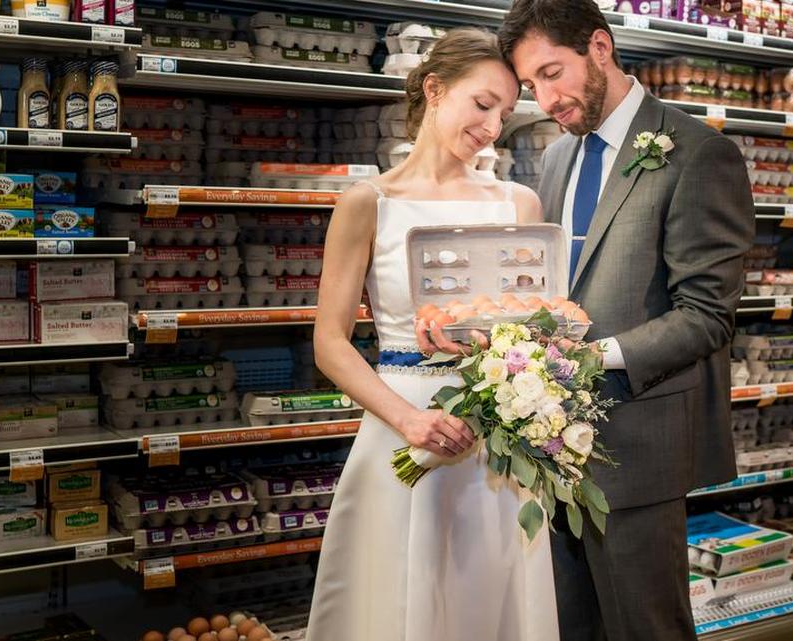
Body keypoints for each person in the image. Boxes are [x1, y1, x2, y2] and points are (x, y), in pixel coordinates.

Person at [496, 2, 755, 640]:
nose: (547, 97)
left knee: (646, 627)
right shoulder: (557, 160)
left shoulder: (698, 153)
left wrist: (595, 358)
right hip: (552, 441)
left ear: (600, 48)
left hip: (640, 438)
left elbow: (707, 316)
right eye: (532, 86)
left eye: (554, 73)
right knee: (571, 624)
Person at [307, 27, 562, 640]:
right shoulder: (367, 203)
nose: (493, 127)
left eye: (504, 112)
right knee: (393, 603)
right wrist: (410, 421)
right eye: (482, 104)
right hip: (402, 434)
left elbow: (538, 329)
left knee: (484, 599)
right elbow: (330, 343)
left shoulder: (518, 204)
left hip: (494, 440)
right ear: (434, 89)